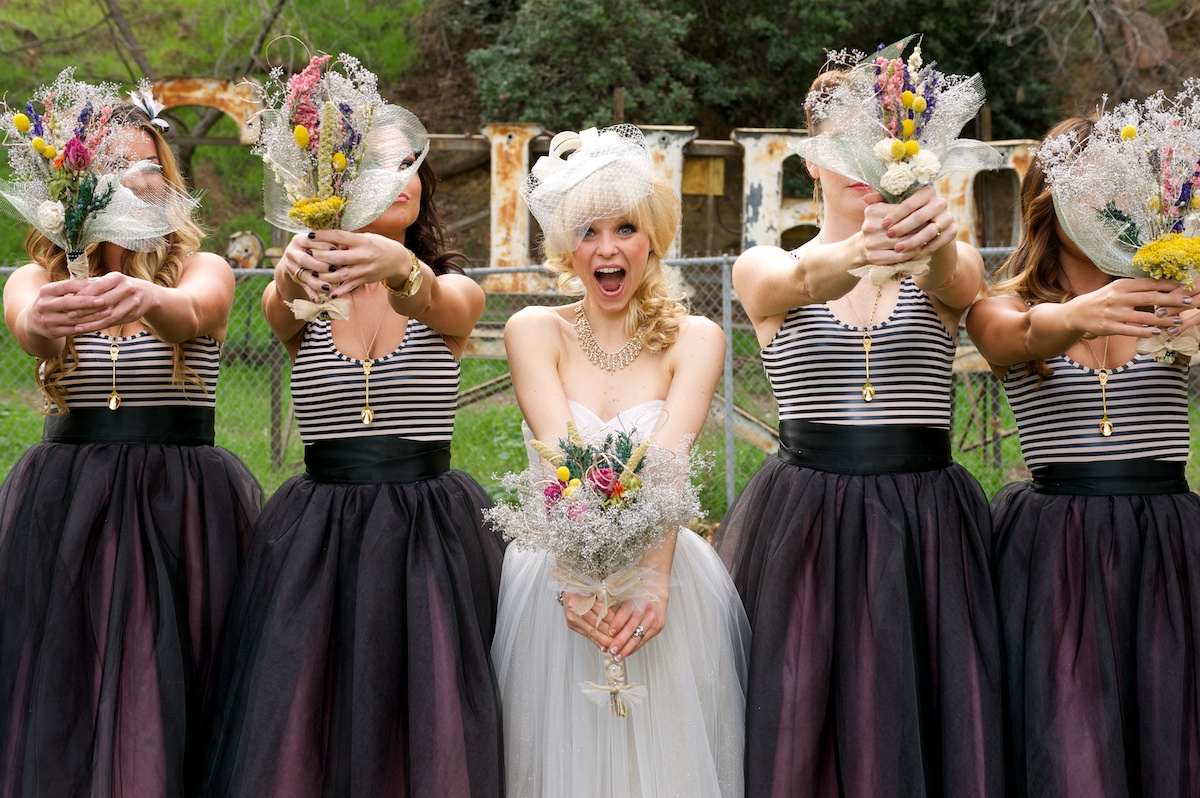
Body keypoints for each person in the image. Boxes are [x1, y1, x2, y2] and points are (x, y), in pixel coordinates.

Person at [715, 70, 1004, 797]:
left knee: (933, 714)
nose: (866, 164)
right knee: (798, 716)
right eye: (844, 146)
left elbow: (958, 279)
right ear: (810, 158)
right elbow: (798, 282)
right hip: (802, 526)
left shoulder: (950, 259)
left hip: (926, 524)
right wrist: (864, 250)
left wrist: (928, 239)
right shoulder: (765, 265)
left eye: (882, 143)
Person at [200, 144, 505, 797]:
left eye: (410, 167)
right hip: (318, 539)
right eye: (379, 167)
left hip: (429, 539)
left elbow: (447, 305)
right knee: (310, 714)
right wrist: (290, 267)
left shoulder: (454, 292)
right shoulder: (304, 302)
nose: (401, 179)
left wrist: (401, 268)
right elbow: (278, 304)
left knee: (428, 714)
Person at [0, 103, 261, 797]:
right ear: (75, 183)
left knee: (176, 683)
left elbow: (196, 312)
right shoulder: (39, 278)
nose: (135, 179)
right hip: (67, 507)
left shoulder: (202, 267)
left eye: (148, 165)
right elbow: (29, 324)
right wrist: (43, 315)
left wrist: (141, 294)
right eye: (114, 164)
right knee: (69, 686)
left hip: (182, 508)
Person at [491, 125, 750, 797]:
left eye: (626, 228)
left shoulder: (695, 340)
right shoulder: (532, 332)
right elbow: (559, 461)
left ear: (653, 240)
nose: (607, 248)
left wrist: (653, 584)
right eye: (588, 232)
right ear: (566, 249)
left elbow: (666, 465)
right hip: (556, 584)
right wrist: (575, 577)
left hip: (665, 581)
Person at [966, 116, 1200, 797]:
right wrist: (1083, 313)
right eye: (1091, 194)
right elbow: (1010, 341)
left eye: (1121, 194)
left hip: (1168, 545)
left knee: (1169, 737)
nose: (1109, 209)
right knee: (1069, 749)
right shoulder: (1001, 304)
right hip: (1054, 553)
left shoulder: (1176, 295)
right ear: (1049, 202)